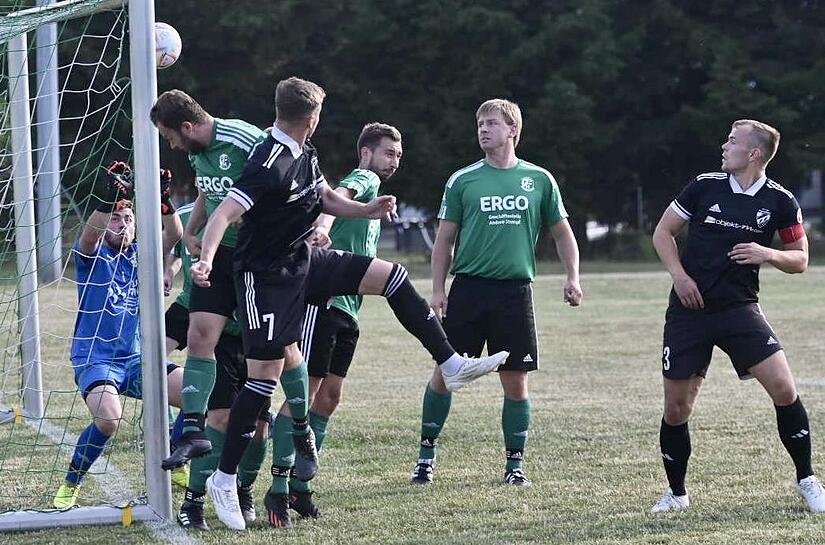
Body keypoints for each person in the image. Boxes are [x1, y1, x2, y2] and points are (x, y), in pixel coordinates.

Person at [190, 76, 507, 531]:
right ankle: (224, 479)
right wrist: (204, 261)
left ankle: (451, 363)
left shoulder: (305, 151)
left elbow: (324, 197)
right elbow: (224, 214)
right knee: (262, 380)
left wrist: (365, 210)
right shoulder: (269, 161)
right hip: (266, 279)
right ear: (312, 118)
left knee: (391, 275)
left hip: (304, 260)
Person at [649, 119, 825, 513]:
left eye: (732, 141)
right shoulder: (704, 186)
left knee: (784, 388)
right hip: (689, 312)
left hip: (739, 310)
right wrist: (679, 277)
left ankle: (808, 480)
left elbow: (800, 260)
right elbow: (663, 233)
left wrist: (769, 254)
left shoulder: (781, 201)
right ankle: (677, 494)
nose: (724, 146)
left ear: (754, 153)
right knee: (677, 408)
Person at [409, 99, 582, 488]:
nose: (483, 130)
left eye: (491, 123)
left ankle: (514, 464)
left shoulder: (539, 180)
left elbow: (562, 233)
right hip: (469, 289)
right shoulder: (463, 180)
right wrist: (438, 290)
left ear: (512, 130)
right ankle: (425, 457)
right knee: (445, 373)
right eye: (479, 124)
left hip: (515, 293)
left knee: (516, 380)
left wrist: (573, 277)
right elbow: (444, 240)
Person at [269, 122, 403, 521]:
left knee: (329, 397)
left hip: (348, 309)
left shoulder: (377, 192)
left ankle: (300, 488)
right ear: (366, 153)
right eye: (388, 153)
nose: (394, 161)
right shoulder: (363, 178)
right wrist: (322, 230)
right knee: (302, 399)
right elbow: (338, 198)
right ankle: (277, 488)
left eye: (398, 155)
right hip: (323, 303)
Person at [53, 162, 184, 509]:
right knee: (109, 419)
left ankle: (177, 453)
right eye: (115, 218)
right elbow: (90, 235)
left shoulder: (142, 257)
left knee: (196, 392)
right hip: (96, 360)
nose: (121, 223)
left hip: (138, 359)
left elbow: (173, 237)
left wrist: (162, 200)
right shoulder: (92, 257)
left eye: (127, 219)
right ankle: (72, 482)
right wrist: (110, 201)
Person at [150, 90, 267, 470]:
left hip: (255, 259)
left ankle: (298, 427)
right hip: (217, 258)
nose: (172, 146)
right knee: (197, 335)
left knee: (275, 356)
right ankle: (192, 429)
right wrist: (191, 232)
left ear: (186, 127)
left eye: (170, 138)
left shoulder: (244, 139)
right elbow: (207, 193)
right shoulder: (199, 153)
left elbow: (282, 175)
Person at [163, 201, 269, 530]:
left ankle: (243, 489)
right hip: (210, 326)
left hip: (253, 336)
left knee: (259, 429)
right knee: (219, 418)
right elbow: (177, 242)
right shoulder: (193, 215)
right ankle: (192, 501)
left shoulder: (264, 213)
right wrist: (171, 265)